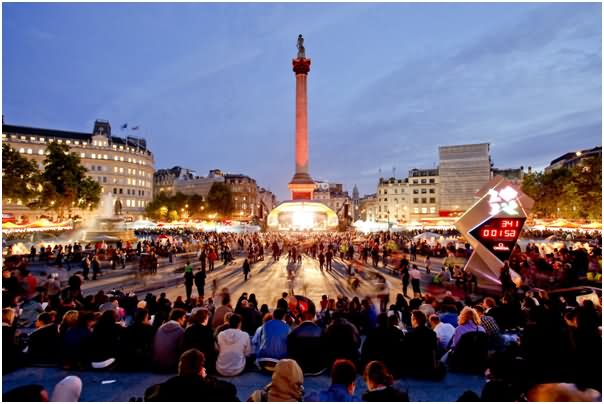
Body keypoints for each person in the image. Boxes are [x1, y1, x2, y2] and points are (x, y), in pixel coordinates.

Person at [145, 349, 238, 402]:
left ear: (180, 368)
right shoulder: (213, 388)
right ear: (201, 369)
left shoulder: (162, 389)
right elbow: (230, 389)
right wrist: (207, 378)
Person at [361, 313, 405, 379]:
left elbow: (365, 350)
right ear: (388, 320)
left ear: (378, 322)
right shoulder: (397, 331)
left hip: (378, 364)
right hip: (393, 365)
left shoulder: (373, 333)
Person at [403, 310, 441, 379]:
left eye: (412, 319)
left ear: (414, 320)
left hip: (414, 370)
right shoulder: (432, 333)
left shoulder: (409, 335)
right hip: (429, 368)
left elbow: (405, 353)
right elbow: (435, 351)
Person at [287, 310, 327, 375]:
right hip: (317, 368)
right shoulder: (321, 331)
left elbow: (290, 351)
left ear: (301, 319)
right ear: (313, 318)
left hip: (299, 367)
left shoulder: (294, 332)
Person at [182, 308, 216, 373]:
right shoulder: (209, 331)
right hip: (204, 364)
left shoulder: (188, 330)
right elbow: (211, 349)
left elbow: (184, 346)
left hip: (189, 362)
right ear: (205, 319)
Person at [152, 308, 186, 372]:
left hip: (157, 364)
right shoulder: (180, 330)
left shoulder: (160, 328)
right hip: (171, 366)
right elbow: (181, 348)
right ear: (179, 318)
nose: (185, 319)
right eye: (184, 317)